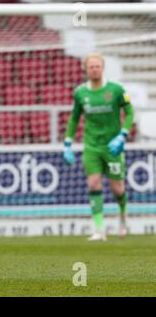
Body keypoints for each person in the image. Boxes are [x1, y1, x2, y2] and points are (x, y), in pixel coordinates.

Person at [63, 52, 134, 241]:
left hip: (113, 147)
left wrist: (122, 136)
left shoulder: (116, 89)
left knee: (117, 188)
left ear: (102, 67)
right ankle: (99, 230)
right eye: (91, 66)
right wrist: (68, 143)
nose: (94, 69)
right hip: (92, 145)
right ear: (85, 69)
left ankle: (123, 215)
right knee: (93, 183)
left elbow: (129, 112)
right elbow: (74, 118)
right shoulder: (80, 93)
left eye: (98, 66)